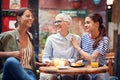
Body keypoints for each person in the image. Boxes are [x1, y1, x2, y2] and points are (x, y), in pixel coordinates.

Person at [40, 13, 80, 80]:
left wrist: (69, 62)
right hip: (53, 69)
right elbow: (45, 57)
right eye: (55, 22)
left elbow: (76, 58)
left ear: (68, 23)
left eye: (59, 21)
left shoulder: (76, 39)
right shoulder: (51, 39)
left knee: (67, 77)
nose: (56, 24)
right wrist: (48, 61)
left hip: (69, 70)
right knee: (50, 77)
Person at [0, 8, 37, 80]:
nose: (31, 18)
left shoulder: (30, 36)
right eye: (27, 16)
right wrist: (12, 54)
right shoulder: (7, 35)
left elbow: (27, 60)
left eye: (32, 16)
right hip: (11, 73)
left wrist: (38, 64)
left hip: (28, 73)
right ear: (19, 18)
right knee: (11, 61)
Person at [72, 13, 110, 80]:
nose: (85, 25)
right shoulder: (84, 37)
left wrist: (77, 47)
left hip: (99, 70)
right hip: (85, 69)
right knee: (82, 77)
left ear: (97, 24)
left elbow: (92, 58)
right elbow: (79, 56)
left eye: (88, 23)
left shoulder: (104, 40)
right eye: (85, 23)